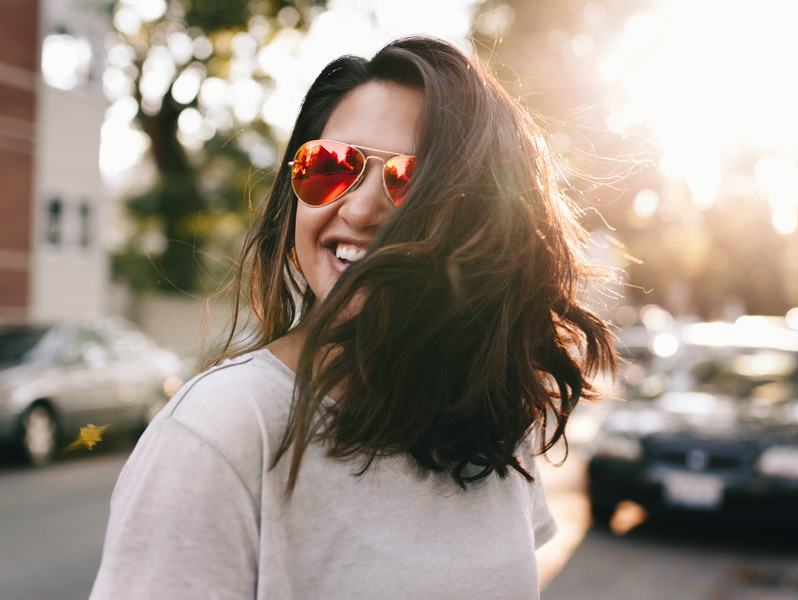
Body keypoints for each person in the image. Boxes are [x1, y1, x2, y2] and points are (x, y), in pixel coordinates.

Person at [90, 35, 616, 599]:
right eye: (330, 167)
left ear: (484, 223)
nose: (361, 209)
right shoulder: (220, 431)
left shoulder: (490, 421)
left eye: (411, 180)